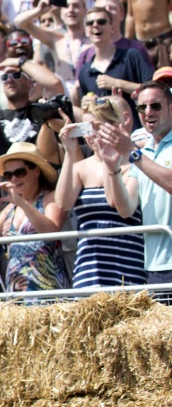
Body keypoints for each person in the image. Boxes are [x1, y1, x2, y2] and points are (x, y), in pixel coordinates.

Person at [55, 96, 146, 288]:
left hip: (128, 268)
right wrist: (69, 152)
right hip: (90, 269)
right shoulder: (81, 168)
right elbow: (63, 203)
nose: (91, 135)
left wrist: (108, 161)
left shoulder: (135, 164)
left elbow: (116, 203)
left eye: (97, 128)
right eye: (86, 129)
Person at [97, 82, 172, 285]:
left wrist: (132, 153)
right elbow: (126, 209)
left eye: (155, 106)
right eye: (142, 107)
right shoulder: (144, 152)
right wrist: (111, 166)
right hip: (154, 267)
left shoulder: (138, 154)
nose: (148, 112)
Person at [0, 143, 71, 294]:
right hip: (16, 291)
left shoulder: (50, 198)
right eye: (8, 175)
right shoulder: (11, 207)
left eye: (19, 172)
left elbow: (51, 231)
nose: (13, 179)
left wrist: (22, 203)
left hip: (49, 289)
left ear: (36, 171)